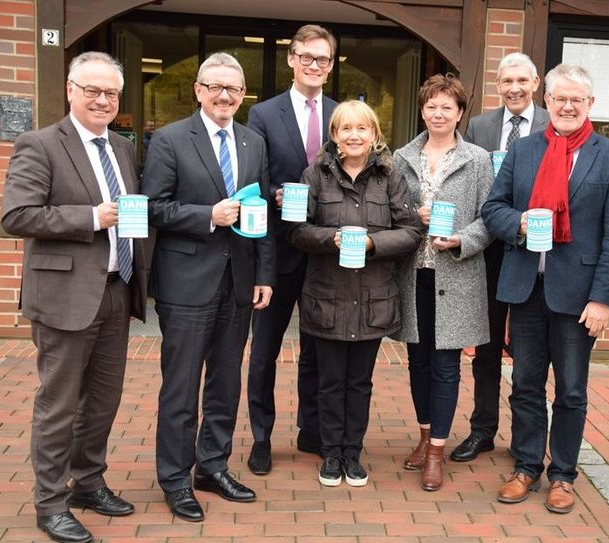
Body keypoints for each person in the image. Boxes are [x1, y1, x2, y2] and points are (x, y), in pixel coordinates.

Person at [1, 51, 147, 543]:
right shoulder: (39, 143)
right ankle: (50, 503)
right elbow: (17, 215)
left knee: (103, 402)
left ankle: (88, 482)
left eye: (111, 93)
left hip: (115, 290)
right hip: (65, 294)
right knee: (59, 405)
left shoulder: (123, 148)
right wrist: (90, 217)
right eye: (93, 90)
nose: (103, 100)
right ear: (70, 89)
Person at [482, 64, 609, 513]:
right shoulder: (524, 150)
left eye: (577, 100)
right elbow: (494, 208)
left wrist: (604, 298)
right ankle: (527, 466)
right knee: (526, 384)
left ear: (590, 104)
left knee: (570, 390)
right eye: (560, 98)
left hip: (578, 294)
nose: (568, 106)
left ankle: (563, 475)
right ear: (546, 101)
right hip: (526, 287)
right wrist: (520, 223)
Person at [142, 52, 276, 523]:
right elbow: (154, 207)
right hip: (186, 282)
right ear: (198, 90)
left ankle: (212, 466)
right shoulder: (170, 139)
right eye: (216, 86)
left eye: (234, 89)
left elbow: (262, 215)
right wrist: (207, 216)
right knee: (180, 387)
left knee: (225, 382)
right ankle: (176, 478)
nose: (225, 96)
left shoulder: (252, 142)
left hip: (238, 282)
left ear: (243, 96)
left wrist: (264, 274)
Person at [288, 100, 421, 487]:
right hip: (326, 297)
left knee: (359, 383)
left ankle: (352, 453)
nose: (354, 136)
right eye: (346, 129)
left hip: (372, 299)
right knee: (329, 382)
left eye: (362, 129)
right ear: (334, 136)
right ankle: (331, 454)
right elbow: (296, 230)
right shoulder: (315, 174)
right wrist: (330, 238)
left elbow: (411, 231)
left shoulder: (390, 177)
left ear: (374, 134)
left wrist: (371, 244)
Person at [393, 74, 494, 492]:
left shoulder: (478, 159)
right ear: (422, 110)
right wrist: (410, 215)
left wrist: (463, 239)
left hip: (457, 272)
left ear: (459, 113)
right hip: (413, 272)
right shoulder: (400, 157)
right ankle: (423, 435)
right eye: (431, 106)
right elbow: (389, 209)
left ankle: (437, 451)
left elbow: (491, 216)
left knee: (446, 364)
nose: (438, 113)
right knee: (418, 362)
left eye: (446, 107)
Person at [245, 24, 339, 474]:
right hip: (278, 250)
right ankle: (261, 437)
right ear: (291, 58)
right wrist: (274, 197)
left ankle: (312, 430)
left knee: (317, 349)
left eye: (323, 59)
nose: (314, 65)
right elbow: (254, 183)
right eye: (307, 57)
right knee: (263, 350)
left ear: (331, 64)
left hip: (325, 252)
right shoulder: (263, 114)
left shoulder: (343, 115)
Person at [451, 52, 550, 463]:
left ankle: (527, 438)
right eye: (506, 81)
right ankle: (483, 429)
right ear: (498, 84)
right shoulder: (480, 125)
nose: (513, 88)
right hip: (491, 249)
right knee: (487, 345)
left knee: (530, 353)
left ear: (535, 82)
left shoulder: (553, 123)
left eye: (521, 81)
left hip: (536, 253)